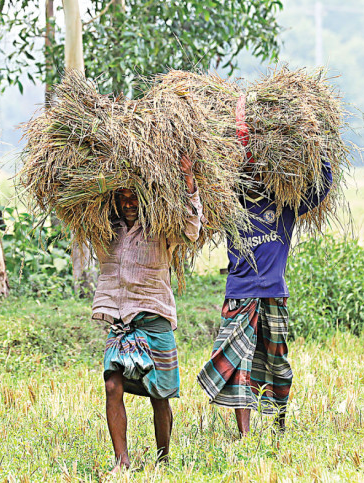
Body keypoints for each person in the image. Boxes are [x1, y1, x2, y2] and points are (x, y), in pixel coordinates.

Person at [197, 159, 332, 437]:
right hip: (239, 294)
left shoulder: (285, 205)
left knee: (277, 360)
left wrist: (321, 153)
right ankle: (245, 434)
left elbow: (320, 190)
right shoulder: (229, 205)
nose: (254, 174)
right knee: (239, 364)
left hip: (273, 294)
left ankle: (279, 423)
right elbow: (201, 209)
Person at [94, 155, 201, 471]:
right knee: (112, 385)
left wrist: (189, 183)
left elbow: (192, 230)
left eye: (133, 197)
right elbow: (73, 213)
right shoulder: (106, 231)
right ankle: (121, 462)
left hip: (154, 319)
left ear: (144, 198)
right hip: (120, 321)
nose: (128, 203)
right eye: (122, 197)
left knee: (160, 394)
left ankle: (163, 458)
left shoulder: (161, 229)